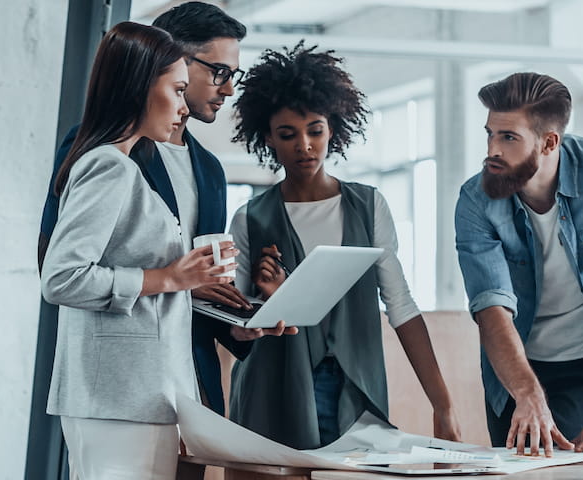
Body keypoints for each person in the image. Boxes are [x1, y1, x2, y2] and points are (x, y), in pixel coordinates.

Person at [38, 1, 289, 421]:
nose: (228, 88)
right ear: (172, 60)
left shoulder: (209, 169)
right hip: (122, 379)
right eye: (219, 72)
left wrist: (238, 320)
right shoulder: (102, 150)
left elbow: (201, 280)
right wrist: (171, 282)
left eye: (234, 75)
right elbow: (56, 266)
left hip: (192, 373)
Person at [223, 43, 461, 450]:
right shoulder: (251, 217)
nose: (305, 145)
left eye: (315, 130)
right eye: (288, 134)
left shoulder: (368, 206)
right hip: (274, 389)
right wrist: (269, 303)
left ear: (333, 127)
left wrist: (443, 405)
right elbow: (236, 325)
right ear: (268, 138)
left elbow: (401, 305)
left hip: (355, 386)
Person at [40, 21, 234, 479]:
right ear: (141, 86)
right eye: (178, 90)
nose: (184, 106)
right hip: (116, 397)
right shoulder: (109, 165)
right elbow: (61, 277)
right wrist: (169, 278)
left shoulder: (124, 164)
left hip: (143, 394)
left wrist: (194, 279)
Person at [455, 72, 583, 456]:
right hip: (517, 363)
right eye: (490, 134)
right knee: (516, 466)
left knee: (575, 467)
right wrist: (527, 395)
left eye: (508, 137)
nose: (492, 150)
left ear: (549, 142)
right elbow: (491, 309)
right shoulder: (475, 199)